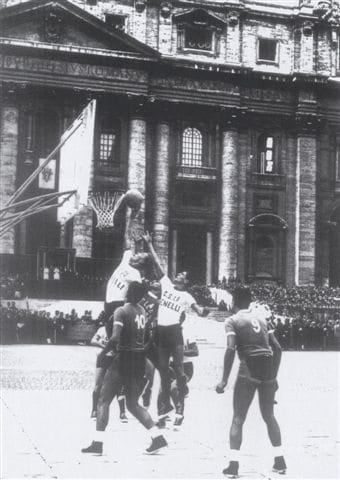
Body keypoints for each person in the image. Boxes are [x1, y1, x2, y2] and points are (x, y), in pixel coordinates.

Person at [82, 282, 168, 455]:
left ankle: (98, 443)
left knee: (104, 400)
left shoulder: (121, 311)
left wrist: (104, 352)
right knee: (132, 403)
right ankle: (157, 437)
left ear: (127, 292)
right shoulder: (142, 311)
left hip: (123, 357)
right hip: (138, 359)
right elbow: (148, 336)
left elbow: (114, 338)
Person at [216, 287, 286, 478]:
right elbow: (278, 348)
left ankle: (233, 465)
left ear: (233, 302)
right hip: (268, 366)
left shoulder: (232, 320)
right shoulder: (262, 318)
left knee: (238, 417)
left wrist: (223, 380)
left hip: (249, 366)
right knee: (269, 415)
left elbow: (231, 349)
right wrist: (275, 375)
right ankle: (280, 461)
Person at [142, 232, 209, 426]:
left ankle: (181, 401)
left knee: (179, 369)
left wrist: (203, 311)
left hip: (174, 331)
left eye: (182, 275)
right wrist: (149, 243)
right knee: (164, 371)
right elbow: (157, 263)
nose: (178, 275)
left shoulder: (187, 296)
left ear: (186, 282)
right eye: (179, 273)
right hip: (161, 333)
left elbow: (198, 310)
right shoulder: (167, 285)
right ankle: (166, 409)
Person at [90, 318, 127, 422]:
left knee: (120, 385)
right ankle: (94, 410)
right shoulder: (102, 329)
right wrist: (105, 346)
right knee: (98, 384)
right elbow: (93, 340)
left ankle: (122, 412)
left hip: (115, 359)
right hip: (103, 357)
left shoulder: (120, 330)